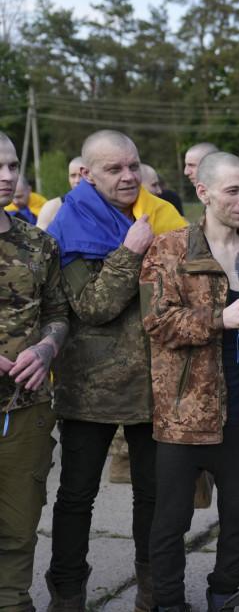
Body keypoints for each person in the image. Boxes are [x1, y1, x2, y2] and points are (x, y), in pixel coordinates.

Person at [45, 130, 186, 612]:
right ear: (86, 174)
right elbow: (93, 306)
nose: (128, 177)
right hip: (91, 390)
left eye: (133, 166)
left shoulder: (154, 215)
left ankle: (153, 592)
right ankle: (68, 594)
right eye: (114, 169)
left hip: (152, 386)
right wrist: (131, 250)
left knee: (153, 496)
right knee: (76, 497)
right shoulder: (72, 223)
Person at [141, 152, 239, 612]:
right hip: (184, 413)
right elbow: (156, 322)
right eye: (233, 191)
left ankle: (223, 591)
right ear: (203, 192)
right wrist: (220, 318)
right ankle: (171, 602)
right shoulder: (170, 248)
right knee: (170, 522)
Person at [0, 131, 70, 612]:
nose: (8, 177)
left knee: (19, 525)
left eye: (12, 166)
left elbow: (58, 311)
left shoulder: (36, 241)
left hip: (23, 410)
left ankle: (12, 601)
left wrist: (47, 348)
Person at [36, 156, 83, 230]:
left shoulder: (103, 205)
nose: (77, 180)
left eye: (81, 175)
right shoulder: (52, 207)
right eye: (73, 176)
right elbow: (37, 239)